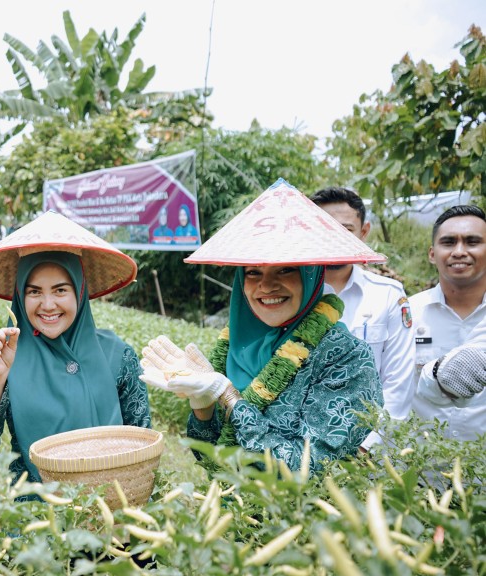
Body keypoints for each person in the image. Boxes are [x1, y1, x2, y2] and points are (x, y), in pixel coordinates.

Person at [141, 179, 384, 473]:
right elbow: (210, 459)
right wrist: (203, 404)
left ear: (311, 274)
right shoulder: (236, 345)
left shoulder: (347, 359)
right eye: (253, 272)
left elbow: (306, 468)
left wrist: (228, 395)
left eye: (285, 269)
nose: (266, 286)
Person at [0, 211, 150, 483]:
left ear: (80, 292)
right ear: (19, 295)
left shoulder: (119, 356)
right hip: (34, 512)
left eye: (61, 290)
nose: (47, 304)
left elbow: (143, 447)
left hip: (113, 507)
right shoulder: (2, 357)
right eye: (34, 291)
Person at [309, 187, 415, 449]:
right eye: (323, 229)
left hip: (368, 451)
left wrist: (367, 448)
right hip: (300, 446)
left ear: (364, 232)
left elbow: (397, 385)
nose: (334, 239)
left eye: (346, 230)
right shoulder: (290, 296)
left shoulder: (388, 296)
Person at [411, 205, 486, 441]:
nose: (459, 251)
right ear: (432, 254)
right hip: (419, 468)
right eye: (449, 242)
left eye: (472, 242)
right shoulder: (407, 314)